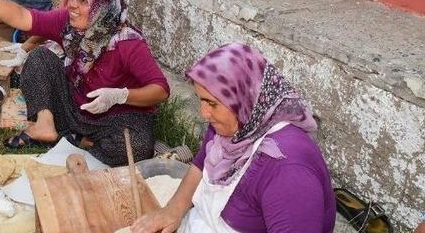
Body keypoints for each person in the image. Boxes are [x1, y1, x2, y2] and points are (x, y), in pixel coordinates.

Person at [0, 0, 170, 165]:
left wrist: (119, 96)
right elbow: (22, 17)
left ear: (103, 9)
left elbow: (160, 90)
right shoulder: (67, 23)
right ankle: (46, 125)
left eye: (83, 0)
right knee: (40, 57)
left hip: (114, 116)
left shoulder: (127, 43)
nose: (71, 4)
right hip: (74, 105)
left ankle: (76, 140)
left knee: (137, 148)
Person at [131, 42, 336, 233]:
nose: (203, 113)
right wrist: (172, 211)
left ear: (244, 99)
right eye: (201, 100)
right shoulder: (237, 126)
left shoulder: (288, 172)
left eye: (212, 104)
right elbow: (201, 164)